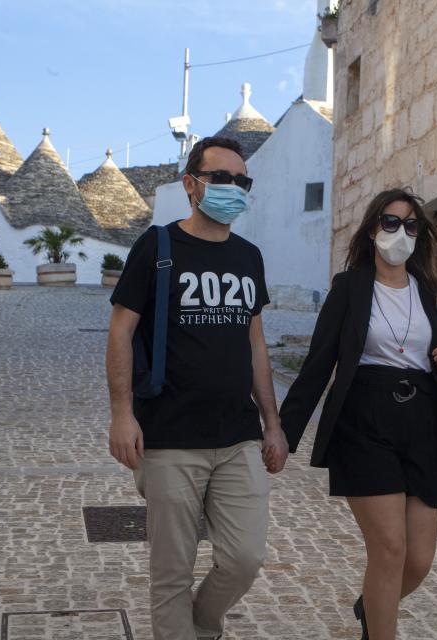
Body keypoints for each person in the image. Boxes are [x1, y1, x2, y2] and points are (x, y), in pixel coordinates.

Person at [105, 136, 289, 640]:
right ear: (192, 185)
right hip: (167, 436)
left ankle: (202, 625)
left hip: (237, 437)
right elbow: (121, 330)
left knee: (245, 557)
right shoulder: (157, 246)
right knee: (171, 571)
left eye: (241, 180)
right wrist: (123, 414)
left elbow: (255, 343)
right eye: (221, 178)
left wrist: (272, 423)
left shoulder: (249, 257)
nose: (233, 188)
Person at [279, 188, 437, 640]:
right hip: (363, 420)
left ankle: (372, 605)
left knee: (418, 561)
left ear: (420, 235)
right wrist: (282, 433)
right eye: (390, 222)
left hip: (422, 423)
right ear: (371, 229)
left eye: (411, 225)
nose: (400, 232)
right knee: (389, 548)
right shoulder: (350, 288)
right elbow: (318, 363)